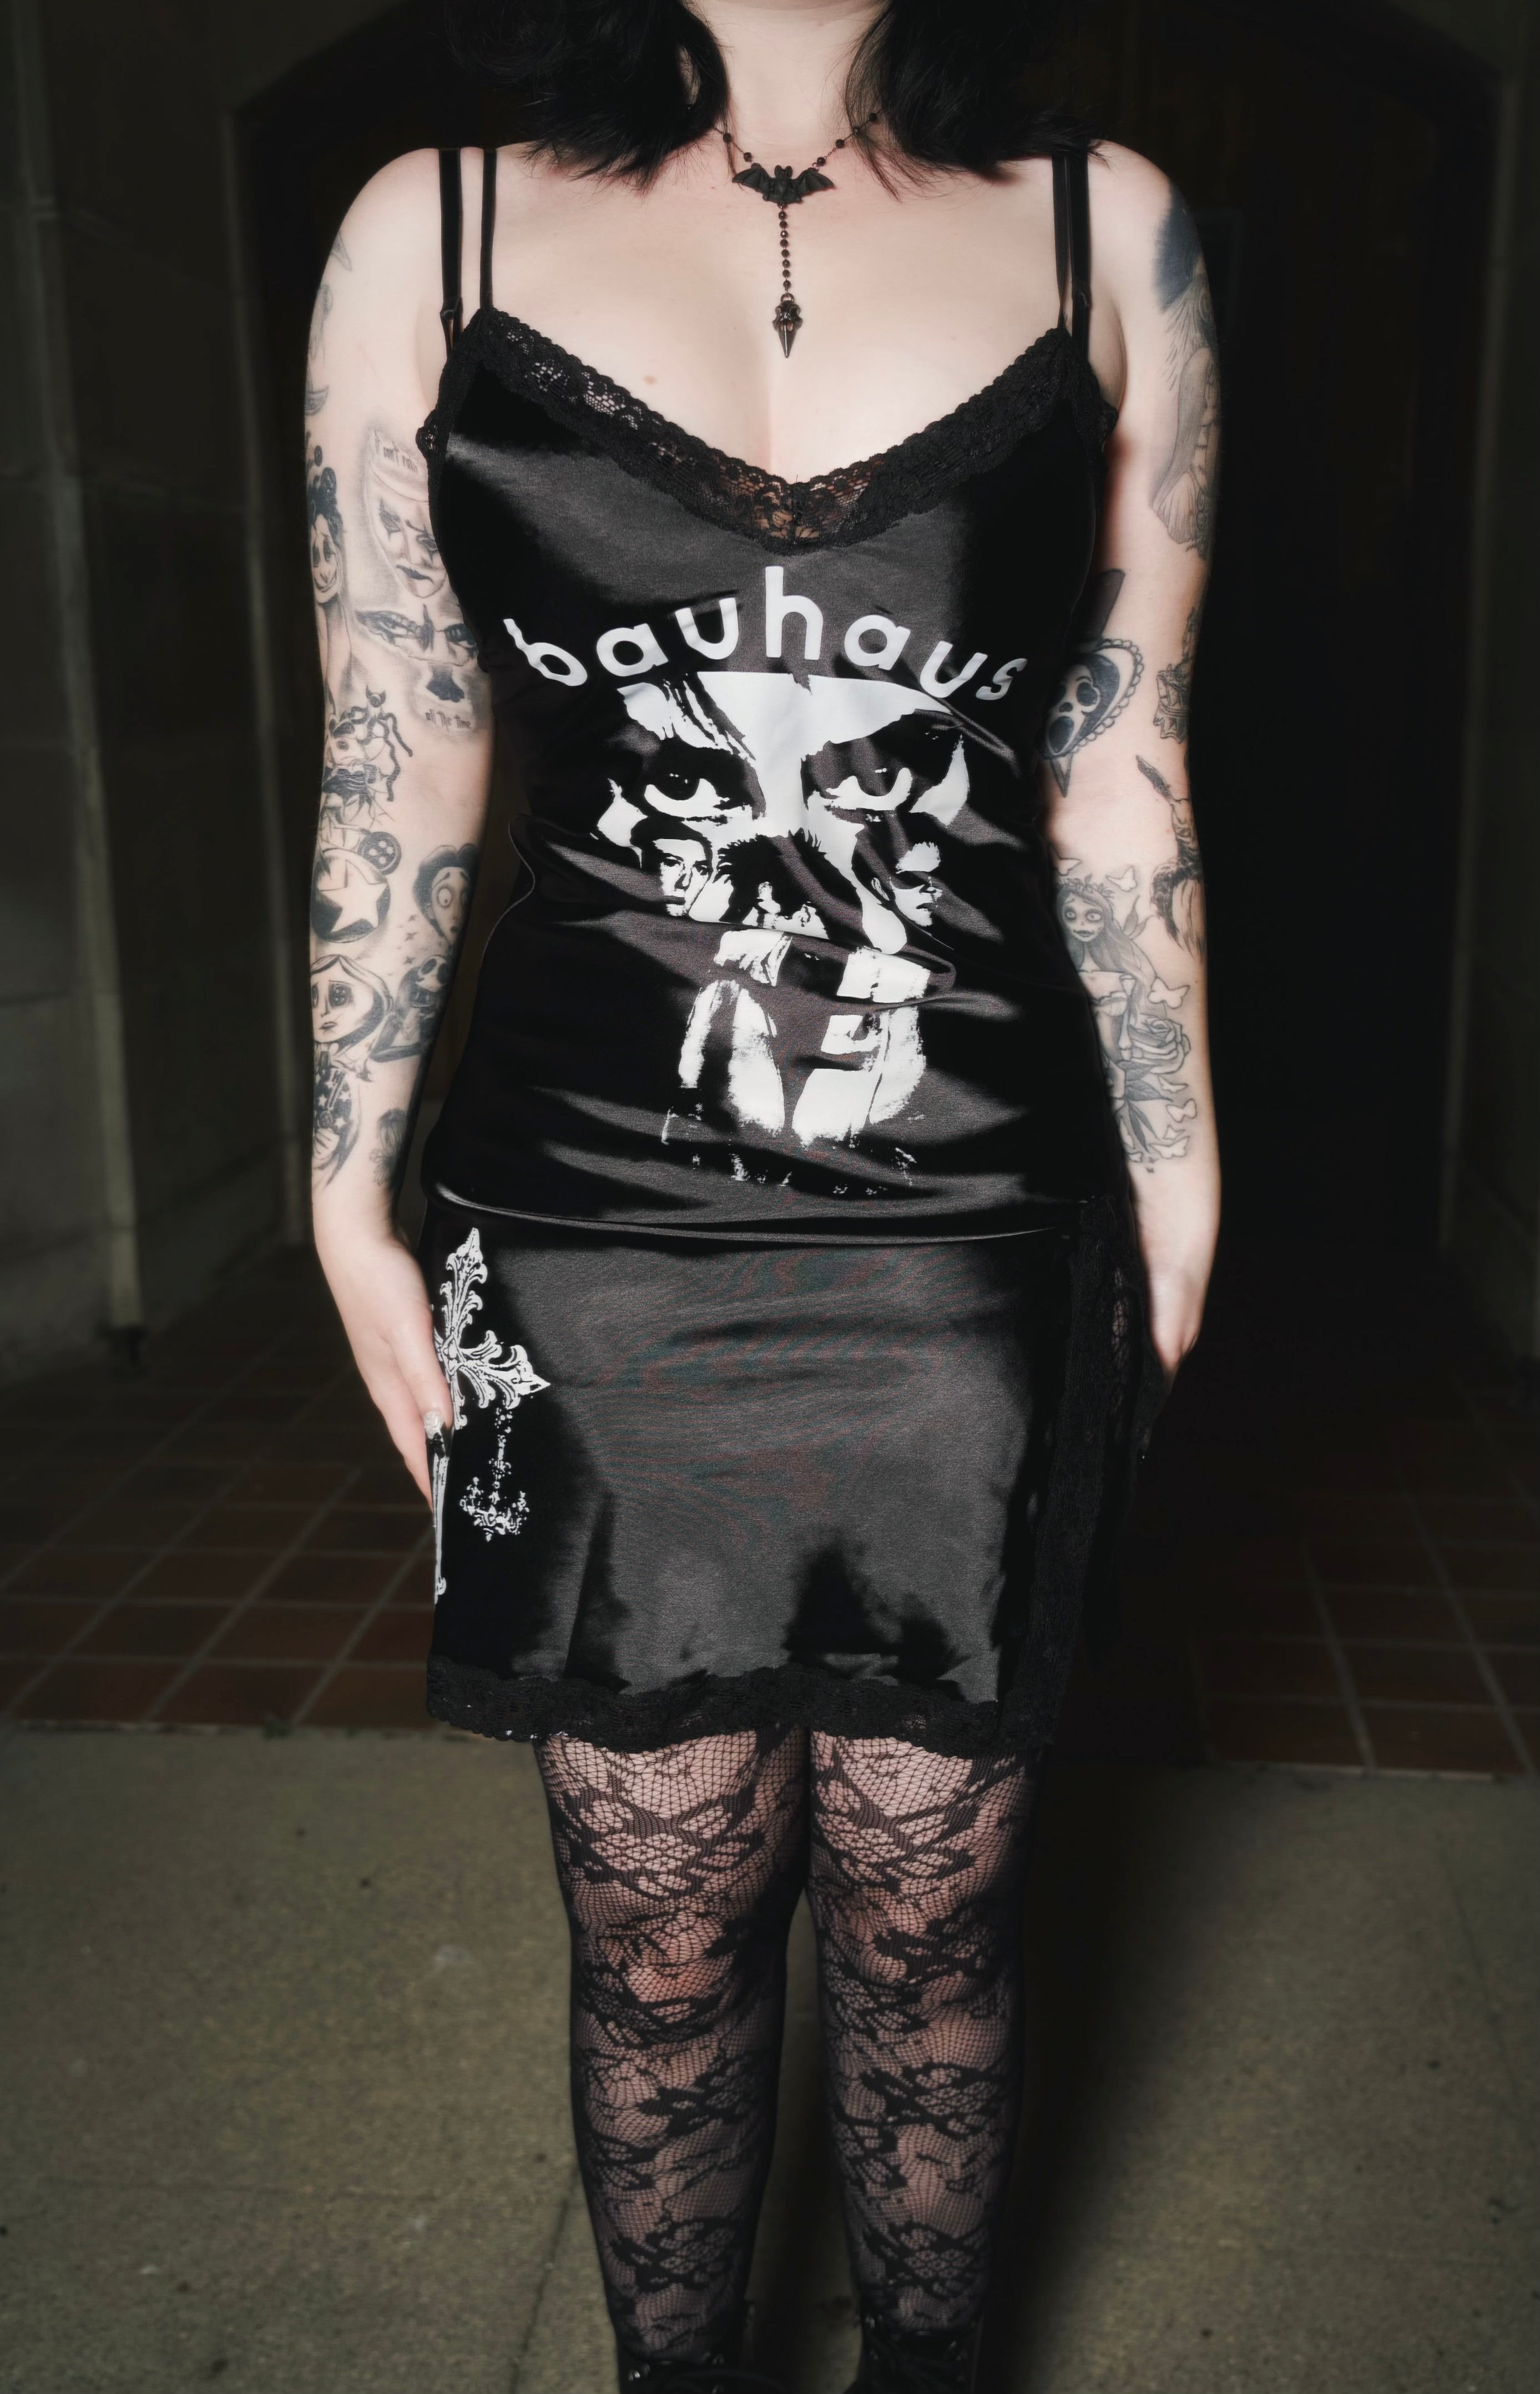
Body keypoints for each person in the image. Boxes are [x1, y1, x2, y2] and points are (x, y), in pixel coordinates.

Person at [305, 2, 1220, 2385]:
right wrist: (342, 1180)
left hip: (973, 1210)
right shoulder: (431, 230)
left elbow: (1117, 748)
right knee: (659, 1932)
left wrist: (1179, 1161)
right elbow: (402, 733)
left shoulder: (1104, 226)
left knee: (938, 1923)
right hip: (591, 1221)